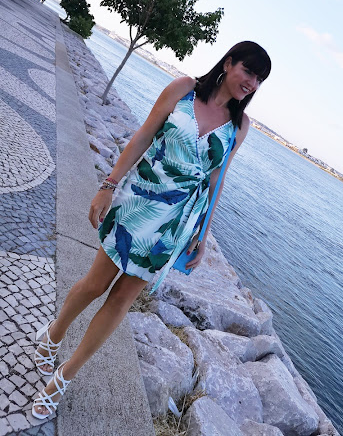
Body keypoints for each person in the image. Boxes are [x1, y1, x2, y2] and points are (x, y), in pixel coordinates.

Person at [31, 41, 271, 419]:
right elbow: (144, 135)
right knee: (95, 284)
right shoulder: (184, 89)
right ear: (228, 63)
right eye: (249, 71)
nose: (252, 83)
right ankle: (54, 333)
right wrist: (108, 184)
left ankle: (64, 377)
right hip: (139, 202)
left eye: (259, 80)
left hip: (175, 225)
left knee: (121, 301)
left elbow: (216, 179)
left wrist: (203, 234)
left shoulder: (240, 126)